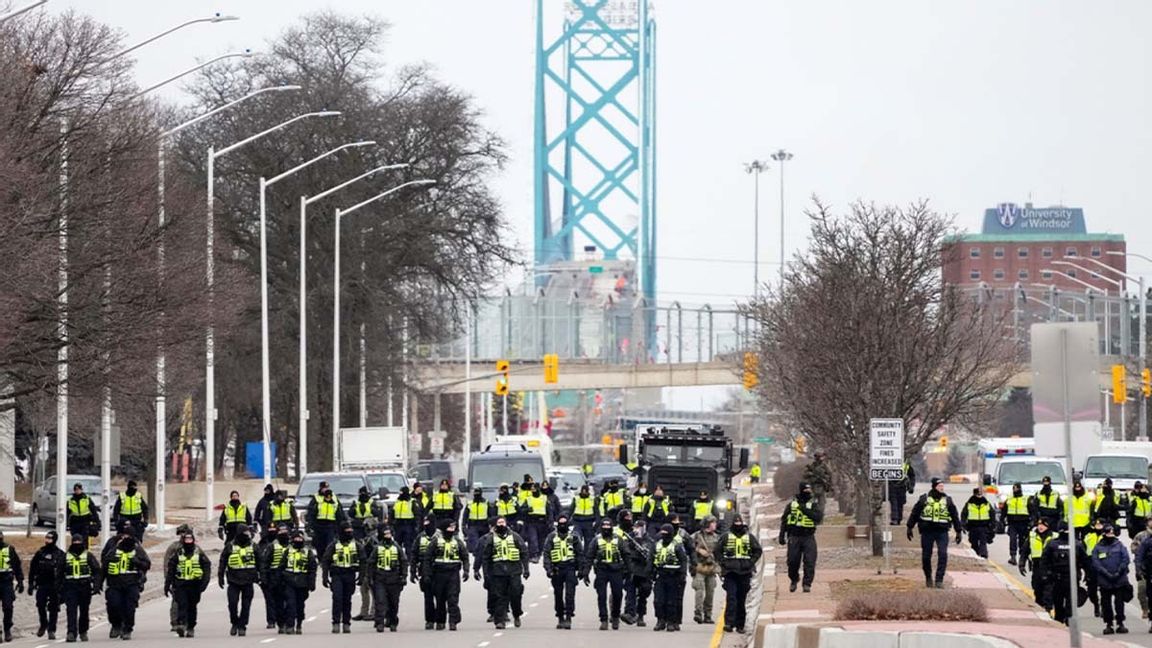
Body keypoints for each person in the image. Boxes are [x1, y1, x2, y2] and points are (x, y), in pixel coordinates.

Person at [906, 477, 961, 589]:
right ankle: (928, 577)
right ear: (934, 487)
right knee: (926, 556)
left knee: (943, 554)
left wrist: (958, 531)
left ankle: (939, 580)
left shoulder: (948, 500)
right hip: (927, 531)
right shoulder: (924, 499)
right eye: (939, 486)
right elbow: (915, 513)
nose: (942, 488)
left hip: (942, 531)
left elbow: (955, 516)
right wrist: (909, 527)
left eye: (942, 486)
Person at [422, 520, 470, 631]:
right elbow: (427, 558)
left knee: (453, 598)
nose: (451, 530)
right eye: (449, 528)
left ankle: (453, 621)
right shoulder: (435, 542)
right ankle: (440, 621)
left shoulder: (457, 542)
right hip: (439, 573)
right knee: (440, 599)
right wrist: (427, 574)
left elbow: (465, 556)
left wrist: (466, 570)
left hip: (453, 572)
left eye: (453, 528)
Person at [482, 516, 529, 629]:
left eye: (503, 522)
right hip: (498, 572)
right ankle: (500, 620)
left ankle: (517, 614)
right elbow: (486, 557)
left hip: (514, 570)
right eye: (499, 523)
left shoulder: (515, 536)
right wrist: (486, 574)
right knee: (499, 596)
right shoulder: (491, 539)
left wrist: (526, 569)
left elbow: (524, 552)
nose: (501, 524)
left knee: (516, 594)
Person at [718, 515, 762, 634]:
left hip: (745, 572)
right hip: (730, 572)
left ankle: (740, 625)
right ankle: (729, 623)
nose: (738, 525)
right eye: (735, 522)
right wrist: (723, 563)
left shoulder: (749, 537)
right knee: (731, 597)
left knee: (741, 599)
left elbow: (758, 550)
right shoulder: (726, 537)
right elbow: (717, 551)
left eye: (739, 522)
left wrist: (750, 562)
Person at [779, 482, 823, 592]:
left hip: (808, 536)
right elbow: (784, 520)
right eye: (805, 490)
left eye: (809, 490)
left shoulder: (813, 504)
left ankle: (807, 584)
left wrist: (803, 509)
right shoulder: (791, 505)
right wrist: (781, 535)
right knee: (792, 561)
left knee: (810, 561)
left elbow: (818, 517)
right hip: (794, 536)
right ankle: (794, 579)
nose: (807, 492)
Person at [103, 532, 148, 640]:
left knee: (130, 607)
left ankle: (127, 629)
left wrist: (137, 562)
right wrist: (98, 583)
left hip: (132, 584)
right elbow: (104, 566)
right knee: (114, 605)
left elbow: (146, 565)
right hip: (115, 584)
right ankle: (116, 625)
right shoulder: (113, 550)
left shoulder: (137, 550)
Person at [165, 532, 211, 638]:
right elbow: (171, 568)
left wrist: (204, 582)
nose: (188, 542)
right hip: (181, 583)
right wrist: (167, 584)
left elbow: (206, 566)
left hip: (195, 584)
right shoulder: (178, 553)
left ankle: (191, 627)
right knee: (182, 604)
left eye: (190, 540)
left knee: (192, 606)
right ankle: (181, 624)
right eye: (186, 540)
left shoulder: (198, 552)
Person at [1041, 522, 1087, 626]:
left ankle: (1065, 622)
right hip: (1062, 578)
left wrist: (1045, 575)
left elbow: (1044, 561)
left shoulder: (1053, 544)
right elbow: (1086, 562)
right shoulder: (1076, 544)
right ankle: (1065, 621)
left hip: (1064, 578)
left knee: (1064, 604)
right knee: (1063, 604)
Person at [542, 513, 583, 629]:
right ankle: (560, 617)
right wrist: (548, 569)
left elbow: (580, 553)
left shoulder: (574, 537)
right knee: (558, 595)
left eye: (565, 523)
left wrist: (581, 570)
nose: (562, 525)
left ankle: (569, 617)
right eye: (561, 523)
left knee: (570, 594)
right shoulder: (551, 537)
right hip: (557, 569)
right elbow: (546, 554)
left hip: (570, 568)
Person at [584, 518, 626, 631]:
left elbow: (626, 555)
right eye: (604, 528)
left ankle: (615, 616)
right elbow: (589, 557)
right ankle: (603, 619)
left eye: (608, 528)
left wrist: (628, 571)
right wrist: (586, 572)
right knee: (601, 596)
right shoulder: (596, 540)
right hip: (602, 570)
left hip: (616, 570)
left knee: (618, 595)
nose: (606, 530)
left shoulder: (618, 540)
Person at [319, 522, 361, 634]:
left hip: (350, 574)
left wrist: (361, 576)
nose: (349, 533)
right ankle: (336, 622)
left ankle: (346, 623)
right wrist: (324, 577)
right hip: (337, 575)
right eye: (347, 531)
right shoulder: (334, 545)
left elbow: (364, 561)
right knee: (337, 599)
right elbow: (326, 561)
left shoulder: (356, 545)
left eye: (350, 531)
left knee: (347, 600)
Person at [58, 533, 100, 643]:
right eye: (75, 542)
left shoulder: (88, 555)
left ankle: (83, 631)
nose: (77, 544)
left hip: (84, 586)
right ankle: (71, 632)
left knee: (84, 611)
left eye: (79, 542)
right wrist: (58, 589)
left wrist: (96, 585)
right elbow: (59, 574)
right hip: (70, 586)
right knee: (71, 611)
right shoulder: (65, 556)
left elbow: (96, 571)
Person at [219, 527, 259, 637]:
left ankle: (242, 626)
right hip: (233, 580)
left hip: (248, 580)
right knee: (232, 604)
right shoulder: (230, 546)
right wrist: (220, 576)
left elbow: (260, 562)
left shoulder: (253, 546)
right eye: (245, 533)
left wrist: (261, 577)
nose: (247, 535)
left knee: (246, 606)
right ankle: (234, 622)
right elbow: (223, 561)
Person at [366, 525, 407, 632]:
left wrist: (404, 576)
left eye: (389, 534)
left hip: (394, 578)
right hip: (380, 577)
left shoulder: (396, 547)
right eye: (386, 534)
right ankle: (380, 623)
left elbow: (403, 561)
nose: (388, 536)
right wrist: (370, 577)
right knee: (380, 601)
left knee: (393, 602)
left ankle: (393, 622)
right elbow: (371, 563)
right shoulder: (377, 548)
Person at [1091, 524, 1130, 635]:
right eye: (1108, 533)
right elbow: (1095, 562)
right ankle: (1108, 624)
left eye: (1112, 533)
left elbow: (1125, 559)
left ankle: (1120, 623)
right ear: (1104, 534)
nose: (1110, 535)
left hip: (1119, 580)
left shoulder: (1119, 545)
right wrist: (1106, 573)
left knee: (1119, 603)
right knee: (1106, 604)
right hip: (1104, 581)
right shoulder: (1098, 548)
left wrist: (1118, 572)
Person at [277, 529, 318, 635]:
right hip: (289, 581)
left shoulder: (308, 553)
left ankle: (299, 623)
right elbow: (281, 567)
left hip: (302, 583)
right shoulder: (288, 552)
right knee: (290, 604)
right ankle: (290, 625)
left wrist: (311, 583)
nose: (298, 540)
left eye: (300, 538)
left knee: (300, 605)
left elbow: (312, 569)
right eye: (296, 538)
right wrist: (279, 580)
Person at [652, 524, 688, 632]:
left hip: (673, 576)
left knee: (671, 601)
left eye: (666, 533)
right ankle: (660, 620)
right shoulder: (656, 545)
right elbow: (651, 559)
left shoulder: (677, 546)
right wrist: (649, 573)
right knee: (658, 600)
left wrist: (682, 574)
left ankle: (671, 622)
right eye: (662, 533)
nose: (664, 535)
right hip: (660, 576)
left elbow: (683, 560)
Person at [28, 530, 64, 639]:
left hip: (55, 585)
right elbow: (32, 569)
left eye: (50, 539)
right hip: (42, 584)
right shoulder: (40, 553)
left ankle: (51, 629)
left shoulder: (60, 554)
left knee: (54, 608)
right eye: (46, 538)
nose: (47, 541)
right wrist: (30, 584)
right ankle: (43, 624)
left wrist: (63, 588)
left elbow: (64, 571)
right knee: (40, 605)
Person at [621, 516, 653, 627]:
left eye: (640, 527)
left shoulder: (650, 541)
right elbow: (626, 553)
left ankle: (640, 616)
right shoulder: (629, 539)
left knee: (643, 594)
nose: (637, 529)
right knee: (630, 593)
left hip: (644, 572)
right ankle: (630, 613)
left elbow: (650, 555)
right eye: (636, 527)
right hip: (632, 570)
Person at [259, 525, 291, 632]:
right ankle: (279, 622)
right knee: (276, 601)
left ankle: (288, 622)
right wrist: (264, 578)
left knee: (290, 601)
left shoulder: (293, 547)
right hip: (275, 577)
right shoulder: (271, 547)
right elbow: (264, 563)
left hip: (290, 577)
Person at [410, 517, 440, 630]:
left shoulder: (440, 536)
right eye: (425, 523)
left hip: (439, 570)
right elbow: (414, 554)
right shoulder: (420, 537)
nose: (426, 526)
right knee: (428, 597)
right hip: (424, 570)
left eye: (428, 523)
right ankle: (429, 620)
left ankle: (440, 619)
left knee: (441, 597)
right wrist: (412, 572)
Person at [691, 515, 721, 625]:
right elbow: (688, 546)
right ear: (707, 524)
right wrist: (698, 550)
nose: (715, 524)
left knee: (710, 592)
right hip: (699, 566)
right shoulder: (696, 536)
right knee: (699, 590)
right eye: (713, 522)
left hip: (711, 567)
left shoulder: (717, 537)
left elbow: (720, 552)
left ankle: (708, 615)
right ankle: (698, 613)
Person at [1019, 517, 1053, 611]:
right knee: (1037, 589)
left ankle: (1048, 609)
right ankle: (1040, 607)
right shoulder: (1032, 536)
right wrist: (1022, 564)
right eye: (1039, 524)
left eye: (1043, 525)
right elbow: (1025, 551)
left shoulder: (1054, 536)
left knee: (1049, 590)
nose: (1040, 527)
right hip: (1037, 566)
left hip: (1050, 566)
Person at [999, 482, 1031, 566]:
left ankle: (1022, 556)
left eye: (1017, 488)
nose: (1015, 490)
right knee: (1012, 539)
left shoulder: (1026, 499)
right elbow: (1004, 511)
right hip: (1012, 523)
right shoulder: (1009, 500)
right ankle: (1013, 556)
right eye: (1014, 488)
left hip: (1023, 523)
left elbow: (1032, 511)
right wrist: (1001, 520)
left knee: (1022, 540)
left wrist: (1032, 522)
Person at [307, 487, 346, 554]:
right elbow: (312, 515)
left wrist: (339, 527)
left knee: (330, 545)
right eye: (326, 497)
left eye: (329, 496)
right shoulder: (319, 504)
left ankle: (328, 559)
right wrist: (311, 526)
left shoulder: (335, 505)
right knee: (319, 545)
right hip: (319, 526)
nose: (328, 498)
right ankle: (321, 559)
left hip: (330, 526)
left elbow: (339, 516)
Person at [960, 487, 993, 559]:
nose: (979, 496)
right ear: (974, 494)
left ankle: (984, 556)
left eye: (981, 495)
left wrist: (992, 525)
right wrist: (963, 524)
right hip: (972, 527)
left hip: (984, 526)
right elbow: (964, 514)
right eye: (978, 495)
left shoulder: (986, 503)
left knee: (983, 542)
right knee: (973, 542)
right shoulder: (969, 504)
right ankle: (976, 555)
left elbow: (992, 514)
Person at [1082, 519, 1105, 617]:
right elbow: (1082, 551)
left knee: (1105, 589)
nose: (1099, 526)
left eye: (1101, 524)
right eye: (1097, 524)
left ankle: (1104, 608)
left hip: (1103, 565)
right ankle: (1096, 604)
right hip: (1091, 566)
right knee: (1091, 591)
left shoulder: (1106, 537)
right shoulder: (1088, 536)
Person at [523, 483, 551, 562]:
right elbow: (522, 510)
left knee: (541, 539)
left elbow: (549, 511)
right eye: (532, 489)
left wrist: (550, 521)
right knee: (533, 539)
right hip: (532, 521)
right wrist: (527, 510)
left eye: (534, 489)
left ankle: (539, 554)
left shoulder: (544, 498)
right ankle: (534, 555)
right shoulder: (528, 499)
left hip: (542, 521)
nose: (533, 491)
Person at [1131, 518, 1152, 622]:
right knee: (1142, 591)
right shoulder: (1141, 536)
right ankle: (1145, 609)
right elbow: (1134, 548)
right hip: (1144, 569)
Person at [464, 487, 492, 558]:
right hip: (473, 525)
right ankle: (477, 556)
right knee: (474, 543)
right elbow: (465, 515)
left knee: (484, 543)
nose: (476, 494)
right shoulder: (470, 503)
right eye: (475, 493)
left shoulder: (486, 502)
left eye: (478, 493)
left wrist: (491, 525)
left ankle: (483, 556)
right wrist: (463, 526)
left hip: (484, 525)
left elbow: (490, 514)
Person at [390, 487, 420, 551]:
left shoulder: (412, 502)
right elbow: (392, 513)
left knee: (408, 545)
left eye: (402, 492)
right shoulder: (397, 502)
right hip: (398, 525)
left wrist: (416, 526)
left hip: (408, 525)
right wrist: (391, 523)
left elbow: (417, 515)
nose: (400, 494)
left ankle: (409, 560)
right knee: (397, 544)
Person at [887, 459, 915, 525]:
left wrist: (911, 486)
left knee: (900, 503)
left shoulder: (906, 463)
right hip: (891, 485)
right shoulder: (889, 461)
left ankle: (898, 518)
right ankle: (894, 519)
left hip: (902, 486)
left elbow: (912, 475)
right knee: (894, 503)